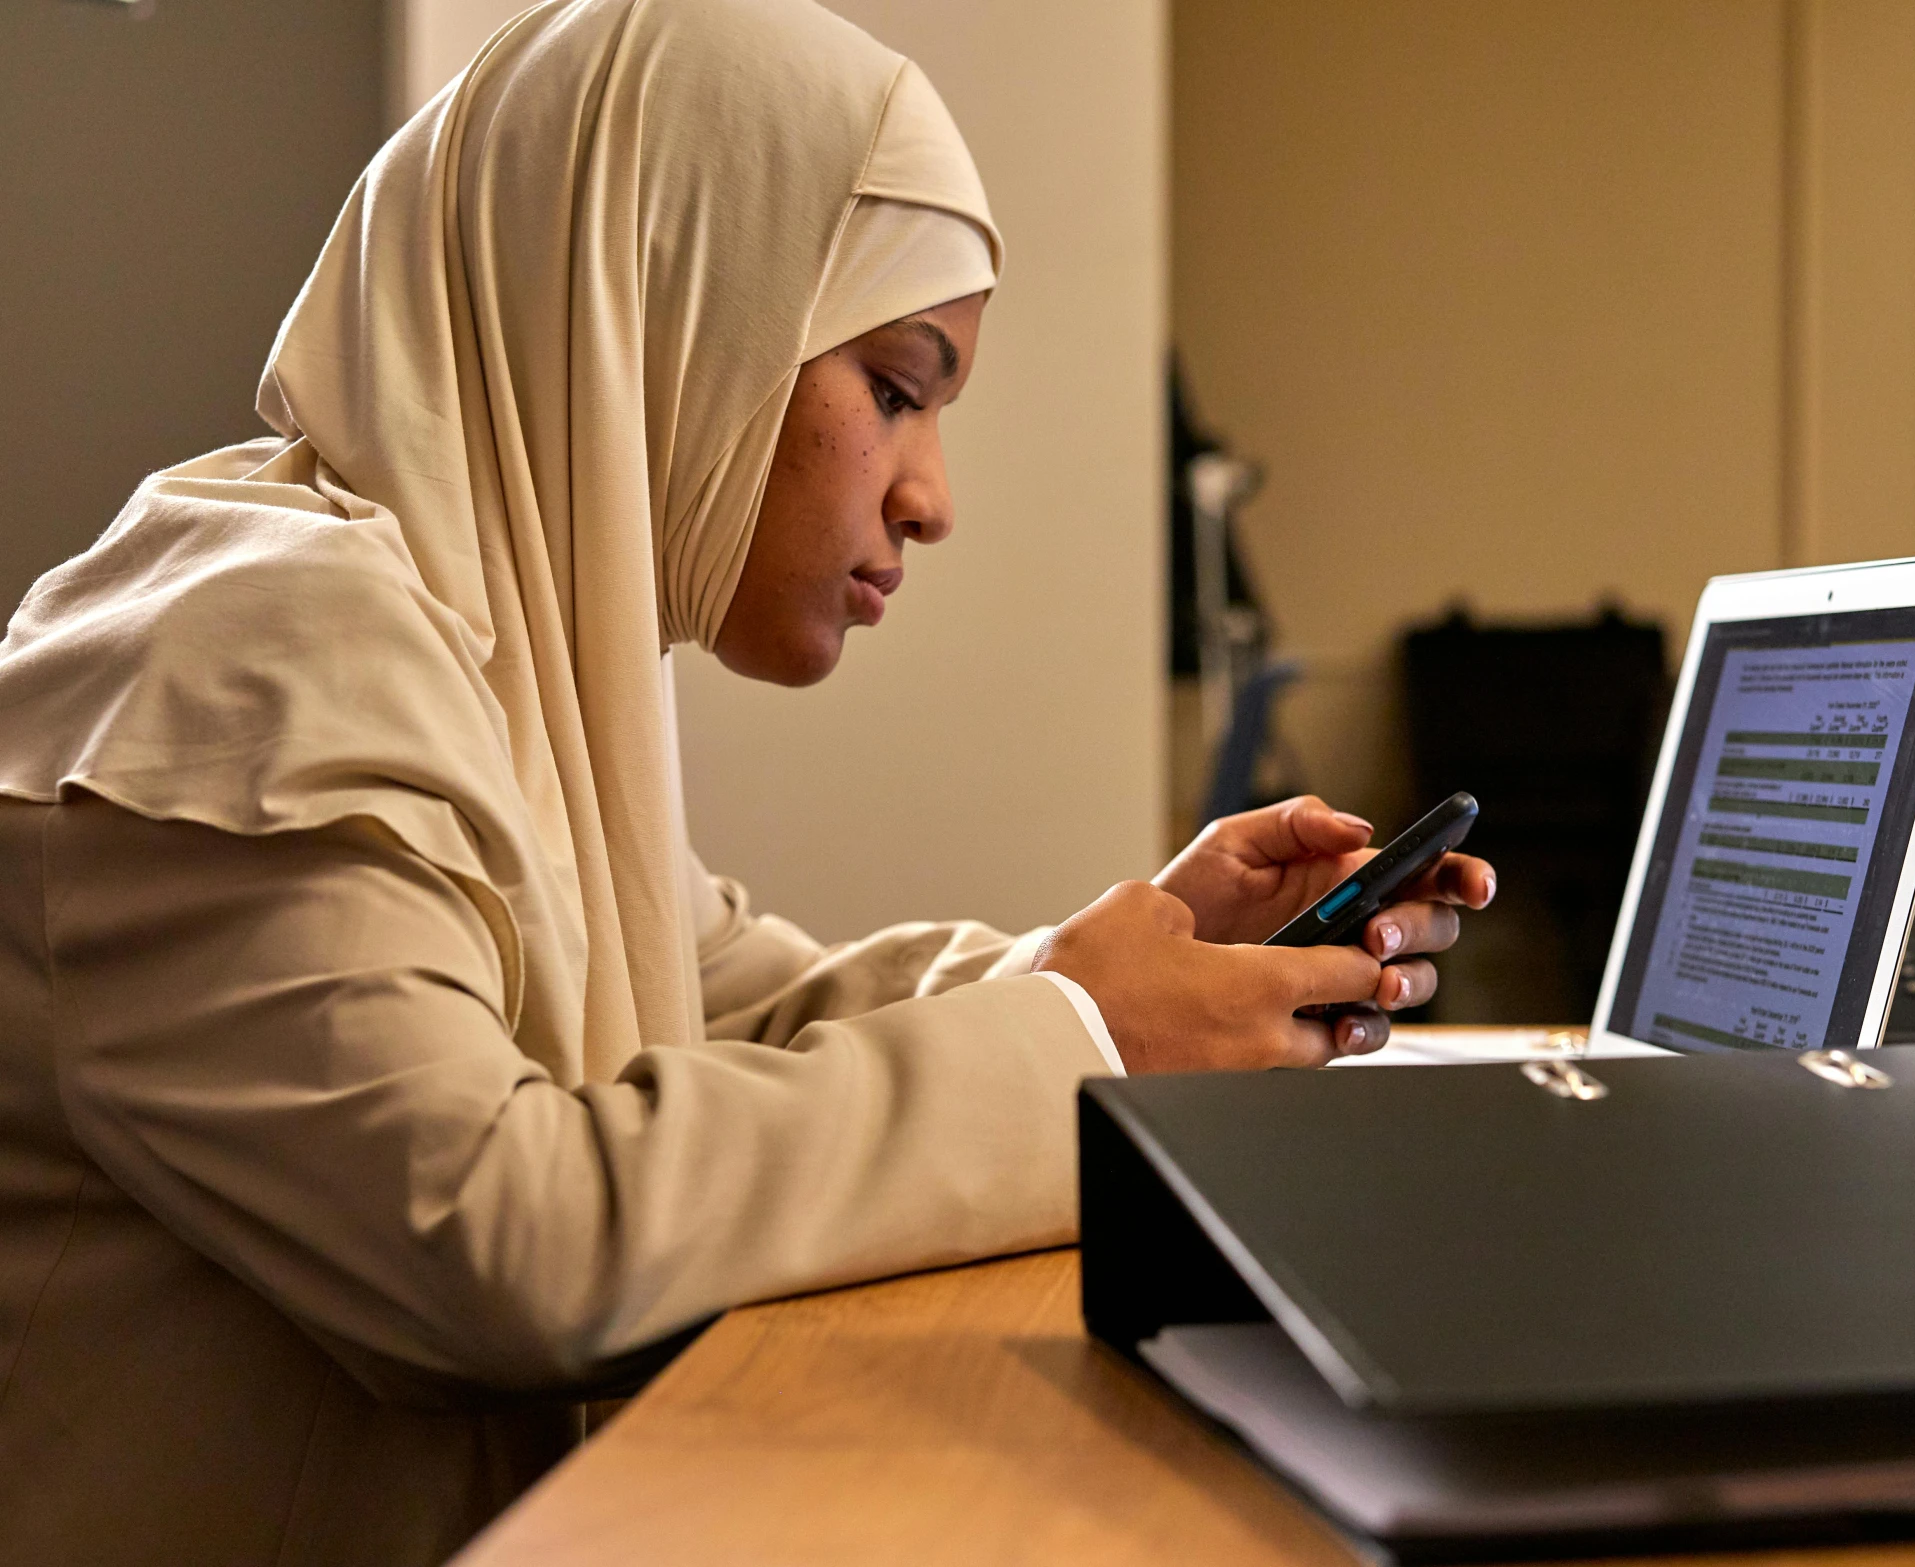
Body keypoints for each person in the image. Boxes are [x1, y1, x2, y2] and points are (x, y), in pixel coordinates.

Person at [0, 1, 1492, 1563]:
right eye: (898, 388)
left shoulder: (490, 651)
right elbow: (501, 1241)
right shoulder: (248, 651)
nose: (930, 500)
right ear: (669, 306)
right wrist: (1081, 1038)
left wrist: (1131, 969)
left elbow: (751, 1008)